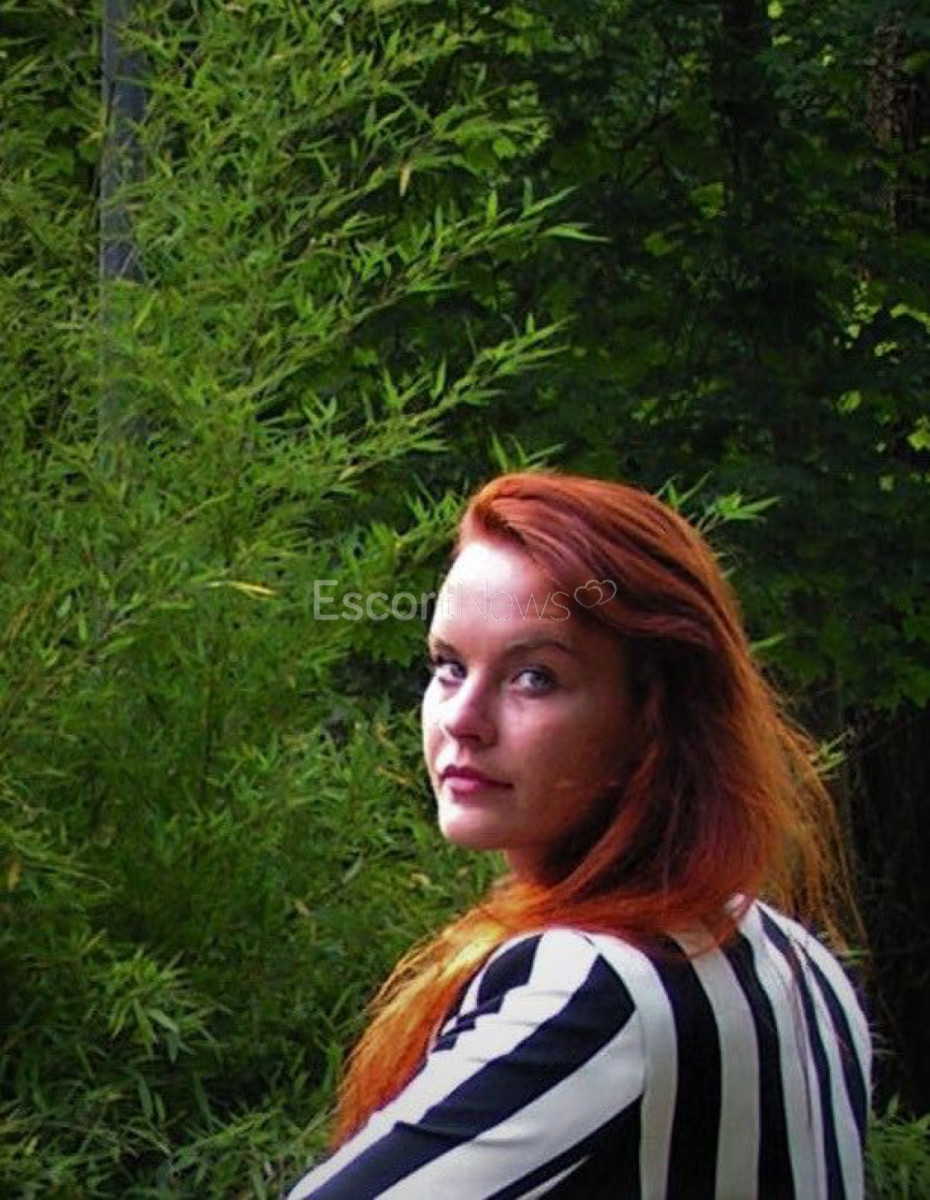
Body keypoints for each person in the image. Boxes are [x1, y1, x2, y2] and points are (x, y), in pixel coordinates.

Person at [286, 471, 871, 1200]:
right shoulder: (796, 962)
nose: (462, 719)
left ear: (652, 712)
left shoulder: (595, 985)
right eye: (449, 667)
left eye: (534, 677)